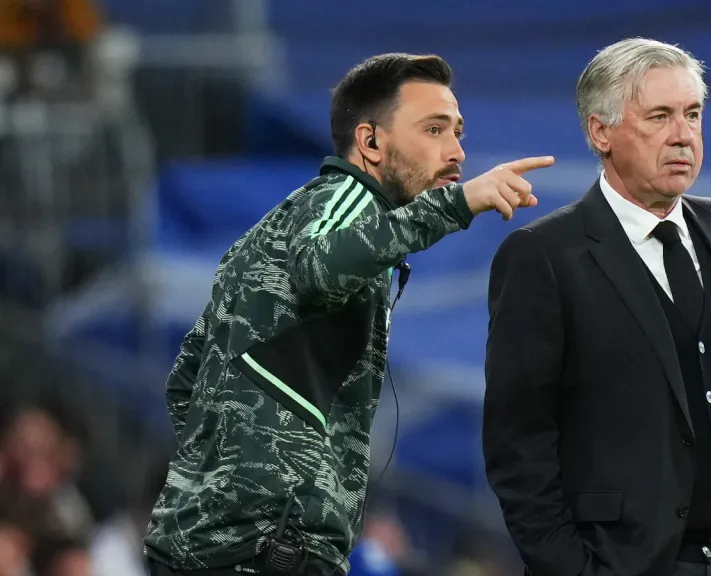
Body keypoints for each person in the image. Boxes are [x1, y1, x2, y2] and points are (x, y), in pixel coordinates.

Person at [144, 52, 554, 576]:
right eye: (433, 129)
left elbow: (186, 379)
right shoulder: (345, 200)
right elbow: (321, 267)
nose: (456, 152)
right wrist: (456, 206)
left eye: (458, 132)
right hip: (265, 548)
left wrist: (223, 488)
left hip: (220, 546)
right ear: (370, 142)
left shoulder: (284, 225)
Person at [483, 37, 711, 576]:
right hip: (616, 562)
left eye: (693, 114)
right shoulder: (544, 256)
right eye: (660, 116)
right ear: (600, 131)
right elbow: (518, 442)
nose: (683, 135)